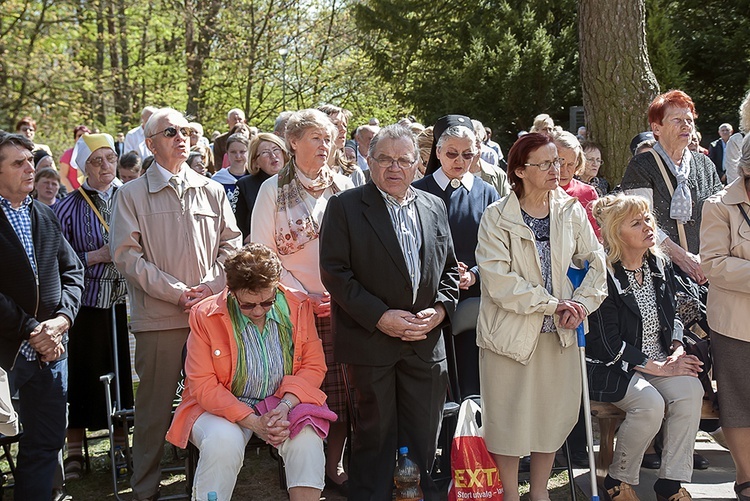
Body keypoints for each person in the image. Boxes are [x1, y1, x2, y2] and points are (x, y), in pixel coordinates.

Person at [319, 124, 460, 500]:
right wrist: (381, 317)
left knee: (422, 435)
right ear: (369, 161)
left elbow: (449, 270)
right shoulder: (345, 206)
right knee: (374, 437)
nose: (394, 167)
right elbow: (335, 273)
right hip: (371, 341)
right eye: (384, 158)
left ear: (418, 164)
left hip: (425, 342)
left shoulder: (434, 205)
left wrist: (441, 311)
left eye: (403, 159)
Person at [110, 107, 242, 501]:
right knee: (152, 411)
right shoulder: (130, 194)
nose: (181, 137)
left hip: (211, 316)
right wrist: (176, 291)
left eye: (185, 130)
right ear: (150, 143)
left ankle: (201, 486)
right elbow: (126, 255)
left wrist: (209, 286)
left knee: (211, 403)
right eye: (170, 132)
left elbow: (231, 246)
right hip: (160, 320)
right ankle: (145, 489)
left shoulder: (211, 189)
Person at [474, 132, 606, 501]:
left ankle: (540, 493)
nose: (557, 169)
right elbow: (500, 282)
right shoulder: (496, 217)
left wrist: (580, 304)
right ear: (520, 170)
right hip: (511, 335)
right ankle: (511, 495)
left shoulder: (571, 210)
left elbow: (596, 265)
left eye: (559, 162)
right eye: (546, 163)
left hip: (561, 333)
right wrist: (553, 304)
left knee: (553, 415)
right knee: (507, 417)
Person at [166, 243, 331, 501]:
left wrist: (286, 405)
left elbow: (313, 365)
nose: (257, 311)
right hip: (218, 408)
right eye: (247, 305)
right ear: (231, 291)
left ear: (277, 285)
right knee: (224, 443)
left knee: (307, 436)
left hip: (281, 403)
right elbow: (202, 385)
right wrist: (253, 422)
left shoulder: (298, 306)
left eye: (267, 302)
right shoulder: (204, 314)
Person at [251, 108, 354, 493]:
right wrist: (301, 295)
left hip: (344, 302)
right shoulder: (272, 189)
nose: (324, 146)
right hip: (292, 306)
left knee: (345, 389)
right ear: (293, 142)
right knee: (302, 386)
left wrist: (338, 292)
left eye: (328, 138)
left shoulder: (345, 187)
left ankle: (334, 463)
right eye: (316, 138)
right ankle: (298, 464)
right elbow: (263, 254)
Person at [587, 194, 704, 501]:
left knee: (691, 391)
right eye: (636, 223)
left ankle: (670, 484)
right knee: (649, 405)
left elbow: (675, 313)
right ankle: (618, 479)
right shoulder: (604, 273)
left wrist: (677, 349)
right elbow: (606, 345)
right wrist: (659, 367)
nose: (648, 227)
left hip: (660, 360)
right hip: (612, 367)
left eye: (648, 219)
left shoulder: (659, 265)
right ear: (616, 233)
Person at [0, 131, 84, 500]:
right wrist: (32, 328)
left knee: (46, 442)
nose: (29, 168)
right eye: (18, 163)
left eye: (30, 160)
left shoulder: (44, 214)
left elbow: (73, 272)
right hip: (6, 352)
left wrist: (62, 320)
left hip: (51, 350)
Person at [53, 133, 134, 482]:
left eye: (109, 159)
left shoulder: (129, 197)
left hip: (127, 300)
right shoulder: (66, 207)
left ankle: (121, 443)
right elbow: (56, 259)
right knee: (85, 377)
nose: (105, 167)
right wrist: (94, 256)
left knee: (122, 378)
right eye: (96, 161)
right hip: (85, 306)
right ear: (83, 167)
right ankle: (74, 448)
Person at [414, 114, 499, 397]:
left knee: (471, 382)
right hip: (428, 299)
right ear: (438, 152)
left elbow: (497, 247)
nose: (459, 161)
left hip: (473, 297)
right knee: (436, 384)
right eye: (451, 153)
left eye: (468, 154)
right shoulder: (417, 191)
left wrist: (473, 273)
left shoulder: (487, 192)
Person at [621, 90, 723, 286]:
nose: (686, 125)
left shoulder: (705, 164)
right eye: (677, 120)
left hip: (706, 268)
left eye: (689, 120)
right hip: (659, 271)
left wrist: (708, 257)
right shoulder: (641, 166)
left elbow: (720, 215)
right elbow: (640, 221)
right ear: (656, 128)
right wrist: (683, 258)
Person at [700, 140, 750, 501]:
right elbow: (713, 263)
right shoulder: (719, 206)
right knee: (738, 403)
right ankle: (746, 478)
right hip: (735, 324)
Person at [235, 133, 288, 241]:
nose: (273, 156)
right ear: (255, 162)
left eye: (276, 149)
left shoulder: (297, 179)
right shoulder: (245, 185)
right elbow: (239, 228)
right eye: (265, 153)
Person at [552, 131, 601, 239]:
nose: (565, 171)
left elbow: (596, 238)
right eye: (559, 164)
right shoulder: (538, 191)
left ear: (578, 163)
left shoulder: (588, 193)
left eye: (570, 164)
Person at [319, 104, 366, 187]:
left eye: (345, 125)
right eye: (336, 124)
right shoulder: (305, 172)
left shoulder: (354, 173)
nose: (343, 130)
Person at [211, 133, 250, 212]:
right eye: (233, 152)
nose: (238, 156)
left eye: (242, 152)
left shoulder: (255, 177)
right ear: (227, 153)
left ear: (248, 152)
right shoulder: (217, 180)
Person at [59, 125, 91, 192]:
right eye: (79, 135)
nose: (82, 138)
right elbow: (63, 177)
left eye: (85, 136)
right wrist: (72, 193)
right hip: (73, 194)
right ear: (75, 138)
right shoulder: (68, 154)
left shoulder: (93, 154)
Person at [213, 108, 247, 172]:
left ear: (244, 121)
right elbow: (218, 163)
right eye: (234, 119)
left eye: (240, 119)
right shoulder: (220, 141)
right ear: (227, 121)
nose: (237, 122)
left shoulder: (252, 140)